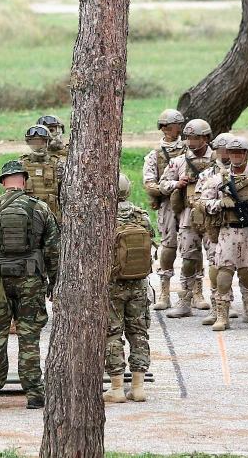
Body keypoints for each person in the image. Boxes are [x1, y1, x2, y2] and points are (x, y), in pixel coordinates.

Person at [0, 160, 60, 409]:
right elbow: (53, 250)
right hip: (31, 280)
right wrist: (54, 281)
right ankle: (34, 394)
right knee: (29, 337)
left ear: (3, 182)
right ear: (24, 181)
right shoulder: (40, 208)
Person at [200, 137, 248, 332]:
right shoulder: (218, 179)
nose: (236, 156)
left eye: (240, 152)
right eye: (232, 152)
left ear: (247, 154)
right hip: (228, 231)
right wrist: (220, 204)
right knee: (224, 274)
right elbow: (202, 203)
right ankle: (222, 316)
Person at [103, 173, 152, 404]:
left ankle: (116, 388)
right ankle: (138, 387)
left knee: (112, 333)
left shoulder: (103, 216)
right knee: (138, 332)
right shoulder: (141, 216)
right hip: (139, 282)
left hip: (112, 284)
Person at [158, 118, 215, 318]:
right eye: (189, 137)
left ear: (206, 138)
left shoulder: (216, 160)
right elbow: (162, 184)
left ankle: (220, 303)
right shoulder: (179, 161)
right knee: (189, 258)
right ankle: (185, 300)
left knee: (216, 260)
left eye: (196, 137)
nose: (191, 142)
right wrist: (177, 184)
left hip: (211, 216)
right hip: (188, 217)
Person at [142, 109, 187, 310]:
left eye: (172, 126)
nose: (167, 129)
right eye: (164, 126)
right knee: (168, 245)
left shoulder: (189, 149)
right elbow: (149, 184)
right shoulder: (155, 154)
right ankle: (164, 291)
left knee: (192, 246)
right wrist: (171, 186)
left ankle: (193, 291)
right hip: (168, 204)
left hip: (189, 202)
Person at [19, 125, 65, 222]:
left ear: (48, 142)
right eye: (34, 143)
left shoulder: (58, 164)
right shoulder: (21, 164)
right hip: (28, 218)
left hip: (52, 218)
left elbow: (65, 195)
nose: (37, 146)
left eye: (41, 142)